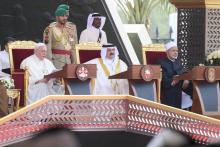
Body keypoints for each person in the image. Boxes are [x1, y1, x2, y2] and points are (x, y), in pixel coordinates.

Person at [158, 42, 192, 109]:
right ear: (167, 52)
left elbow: (184, 72)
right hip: (168, 89)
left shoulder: (178, 62)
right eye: (173, 51)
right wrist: (173, 82)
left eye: (177, 51)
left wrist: (186, 79)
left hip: (179, 88)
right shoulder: (161, 62)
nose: (176, 52)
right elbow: (163, 78)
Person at [43, 4, 78, 69]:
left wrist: (74, 63)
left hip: (68, 62)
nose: (65, 18)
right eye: (62, 16)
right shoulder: (49, 29)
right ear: (57, 16)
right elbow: (47, 49)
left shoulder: (71, 28)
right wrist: (49, 66)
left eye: (66, 16)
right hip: (56, 63)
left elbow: (73, 47)